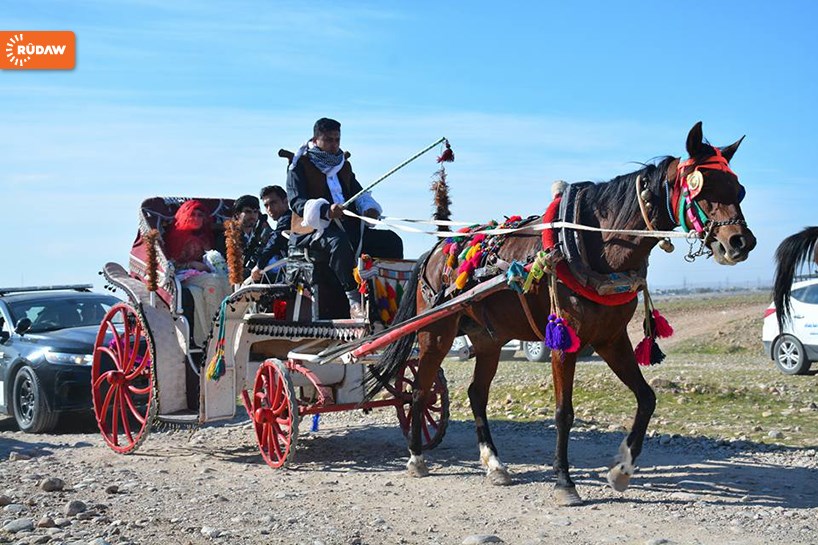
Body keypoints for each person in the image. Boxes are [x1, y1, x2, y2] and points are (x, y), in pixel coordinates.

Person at [287, 117, 403, 319]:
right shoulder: (300, 165)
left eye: (337, 140)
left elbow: (359, 193)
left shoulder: (343, 165)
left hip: (349, 226)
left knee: (391, 240)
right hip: (314, 229)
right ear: (316, 139)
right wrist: (325, 210)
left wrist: (369, 209)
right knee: (338, 243)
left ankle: (393, 297)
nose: (334, 145)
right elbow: (296, 201)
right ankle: (354, 300)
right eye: (329, 140)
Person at [164, 200, 231, 347]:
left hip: (202, 275)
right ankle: (212, 334)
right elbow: (169, 265)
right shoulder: (176, 237)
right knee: (213, 281)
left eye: (200, 215)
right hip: (182, 278)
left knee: (224, 281)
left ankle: (228, 331)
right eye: (192, 214)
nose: (196, 218)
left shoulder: (205, 237)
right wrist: (192, 265)